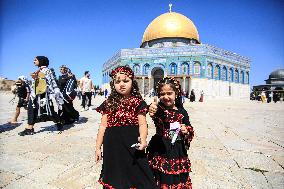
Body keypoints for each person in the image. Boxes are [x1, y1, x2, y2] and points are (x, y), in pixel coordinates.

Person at [95, 66, 157, 189]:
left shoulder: (138, 102)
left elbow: (142, 124)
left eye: (125, 81)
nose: (121, 84)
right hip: (112, 146)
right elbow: (103, 126)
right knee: (115, 173)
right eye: (117, 82)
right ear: (113, 84)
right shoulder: (109, 103)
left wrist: (143, 140)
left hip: (132, 144)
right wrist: (97, 147)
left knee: (137, 171)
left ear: (132, 83)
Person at [148, 77, 194, 188]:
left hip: (176, 149)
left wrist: (186, 130)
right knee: (160, 175)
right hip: (160, 148)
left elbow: (190, 128)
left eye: (169, 93)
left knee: (174, 177)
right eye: (162, 93)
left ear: (176, 93)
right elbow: (157, 113)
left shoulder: (182, 112)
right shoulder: (159, 109)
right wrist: (151, 109)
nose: (166, 97)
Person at [18, 56, 64, 136]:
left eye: (35, 60)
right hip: (36, 95)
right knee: (32, 109)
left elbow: (48, 83)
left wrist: (37, 77)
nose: (34, 61)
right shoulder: (39, 70)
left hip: (44, 95)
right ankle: (30, 128)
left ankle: (58, 122)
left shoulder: (46, 70)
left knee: (49, 111)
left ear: (41, 61)